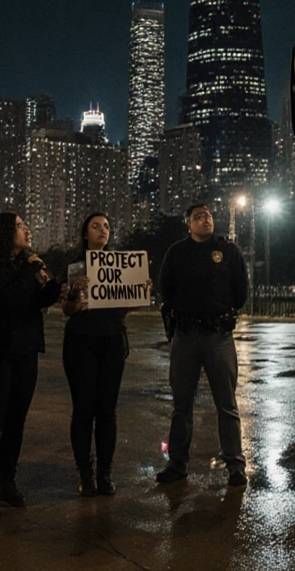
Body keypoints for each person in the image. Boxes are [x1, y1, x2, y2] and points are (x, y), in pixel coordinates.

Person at [0, 213, 61, 515]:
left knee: (16, 422)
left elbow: (33, 301)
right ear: (3, 233)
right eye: (19, 226)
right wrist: (30, 269)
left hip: (25, 351)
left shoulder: (26, 265)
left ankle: (8, 482)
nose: (26, 230)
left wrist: (55, 286)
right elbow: (9, 298)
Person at [154, 203, 249, 488]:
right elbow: (165, 288)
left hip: (218, 336)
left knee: (227, 405)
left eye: (208, 216)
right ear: (188, 224)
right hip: (185, 336)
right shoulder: (177, 252)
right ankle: (177, 464)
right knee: (182, 405)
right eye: (198, 217)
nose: (205, 219)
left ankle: (235, 466)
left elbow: (241, 292)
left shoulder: (228, 251)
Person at [61, 212, 145, 496]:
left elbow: (123, 308)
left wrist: (138, 293)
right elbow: (67, 310)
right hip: (81, 342)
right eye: (96, 226)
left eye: (107, 226)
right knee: (84, 410)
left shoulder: (121, 266)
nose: (103, 230)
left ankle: (104, 473)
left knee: (107, 411)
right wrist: (74, 291)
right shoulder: (75, 265)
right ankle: (85, 472)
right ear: (85, 233)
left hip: (112, 341)